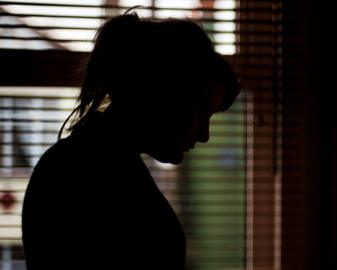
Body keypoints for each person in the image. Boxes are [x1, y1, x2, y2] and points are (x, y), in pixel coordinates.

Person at [21, 10, 240, 270]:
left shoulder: (95, 164)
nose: (204, 135)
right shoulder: (86, 174)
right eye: (201, 112)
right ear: (161, 94)